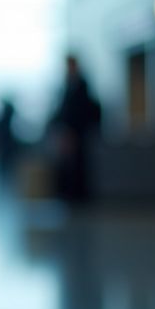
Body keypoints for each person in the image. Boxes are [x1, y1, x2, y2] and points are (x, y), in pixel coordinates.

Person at [49, 55, 102, 205]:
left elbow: (81, 110)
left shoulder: (81, 85)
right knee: (69, 164)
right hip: (68, 131)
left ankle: (79, 196)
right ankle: (69, 194)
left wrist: (72, 130)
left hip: (77, 131)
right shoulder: (67, 85)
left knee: (79, 163)